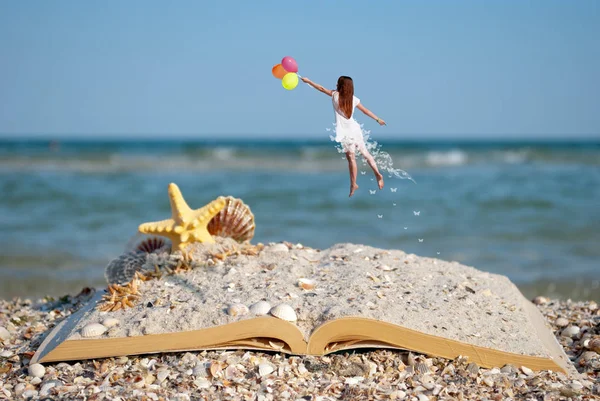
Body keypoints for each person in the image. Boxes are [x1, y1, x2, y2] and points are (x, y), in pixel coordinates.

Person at [301, 75, 386, 197]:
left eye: (337, 83)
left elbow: (320, 88)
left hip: (346, 132)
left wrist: (308, 81)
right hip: (355, 129)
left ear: (341, 86)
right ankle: (377, 173)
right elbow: (365, 111)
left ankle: (353, 184)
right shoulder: (353, 99)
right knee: (365, 153)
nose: (336, 85)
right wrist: (378, 119)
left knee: (351, 158)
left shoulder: (335, 95)